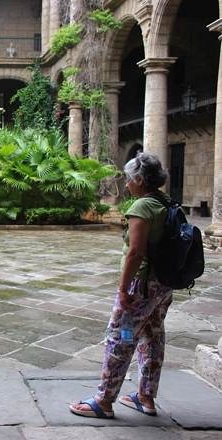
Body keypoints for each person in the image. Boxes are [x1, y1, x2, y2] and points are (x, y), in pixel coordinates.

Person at [70, 152, 172, 419]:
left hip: (140, 286)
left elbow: (136, 253)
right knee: (153, 338)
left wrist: (123, 288)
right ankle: (145, 397)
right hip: (163, 286)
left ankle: (103, 402)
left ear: (139, 179)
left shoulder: (142, 207)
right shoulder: (167, 202)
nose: (126, 184)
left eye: (128, 179)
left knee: (120, 339)